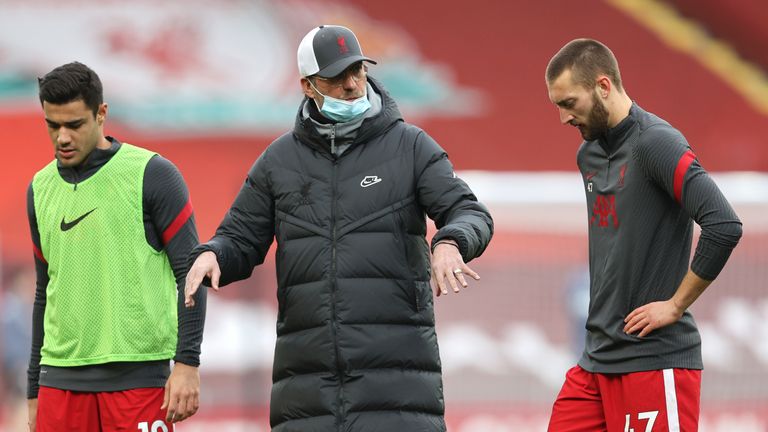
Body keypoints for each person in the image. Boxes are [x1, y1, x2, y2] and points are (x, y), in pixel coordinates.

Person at [184, 25, 493, 431]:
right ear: (308, 86)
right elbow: (239, 238)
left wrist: (451, 242)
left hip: (398, 390)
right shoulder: (278, 162)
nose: (351, 85)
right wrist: (214, 254)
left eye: (358, 71)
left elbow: (470, 212)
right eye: (336, 77)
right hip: (307, 391)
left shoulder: (412, 147)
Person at [544, 39, 742, 431]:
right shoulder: (589, 155)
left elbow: (724, 223)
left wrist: (675, 305)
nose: (563, 118)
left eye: (569, 103)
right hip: (596, 361)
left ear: (603, 86)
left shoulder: (656, 143)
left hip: (654, 360)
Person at [27, 62, 206, 431]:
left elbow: (191, 274)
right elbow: (45, 293)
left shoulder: (153, 175)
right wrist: (34, 390)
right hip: (59, 385)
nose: (62, 137)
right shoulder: (39, 189)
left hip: (138, 381)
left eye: (74, 125)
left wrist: (187, 363)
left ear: (101, 114)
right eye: (52, 125)